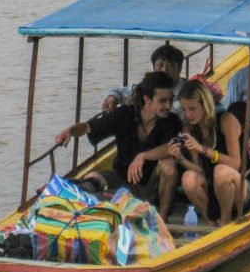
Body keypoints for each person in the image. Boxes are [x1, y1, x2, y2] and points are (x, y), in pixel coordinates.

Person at [54, 71, 180, 221]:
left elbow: (171, 147)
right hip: (121, 179)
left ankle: (162, 217)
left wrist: (143, 156)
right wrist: (70, 131)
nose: (169, 105)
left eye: (170, 101)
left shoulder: (172, 121)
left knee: (168, 164)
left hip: (150, 185)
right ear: (147, 99)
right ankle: (67, 206)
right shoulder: (124, 114)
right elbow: (89, 127)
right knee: (92, 178)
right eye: (163, 101)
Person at [168, 78, 250, 227]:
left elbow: (235, 163)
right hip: (213, 190)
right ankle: (209, 221)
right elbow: (200, 170)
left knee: (221, 171)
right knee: (188, 178)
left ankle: (225, 221)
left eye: (192, 109)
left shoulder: (226, 120)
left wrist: (202, 149)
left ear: (205, 105)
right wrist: (180, 159)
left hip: (241, 186)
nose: (187, 115)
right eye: (184, 109)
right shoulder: (189, 129)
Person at [101, 43, 185, 113]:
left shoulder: (189, 92)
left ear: (180, 69)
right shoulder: (145, 87)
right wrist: (113, 97)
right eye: (160, 65)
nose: (164, 70)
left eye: (171, 66)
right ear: (153, 68)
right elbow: (121, 92)